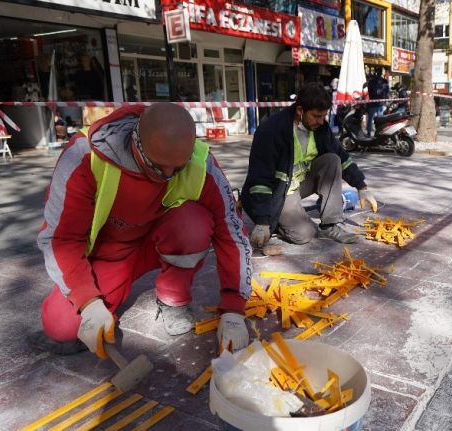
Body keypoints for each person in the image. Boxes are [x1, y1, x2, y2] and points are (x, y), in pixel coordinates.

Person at [33, 103, 252, 358]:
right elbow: (60, 240)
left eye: (178, 168)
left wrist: (234, 308)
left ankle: (174, 298)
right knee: (61, 327)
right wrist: (89, 301)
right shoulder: (85, 157)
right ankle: (104, 294)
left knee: (193, 223)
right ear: (136, 142)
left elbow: (232, 230)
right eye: (158, 167)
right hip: (108, 257)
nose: (168, 176)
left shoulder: (200, 163)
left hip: (157, 242)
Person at [241, 82, 377, 251]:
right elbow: (260, 179)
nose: (321, 121)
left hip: (297, 185)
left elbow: (342, 157)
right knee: (305, 234)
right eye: (316, 116)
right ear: (300, 110)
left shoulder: (320, 127)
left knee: (332, 160)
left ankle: (330, 225)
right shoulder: (272, 131)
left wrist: (361, 186)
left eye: (324, 116)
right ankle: (275, 221)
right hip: (276, 192)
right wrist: (262, 221)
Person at [366, 68, 389, 136]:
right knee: (380, 119)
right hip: (380, 104)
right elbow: (387, 93)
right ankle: (379, 132)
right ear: (381, 73)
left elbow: (369, 91)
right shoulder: (385, 82)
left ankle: (369, 132)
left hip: (372, 103)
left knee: (370, 119)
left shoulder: (371, 81)